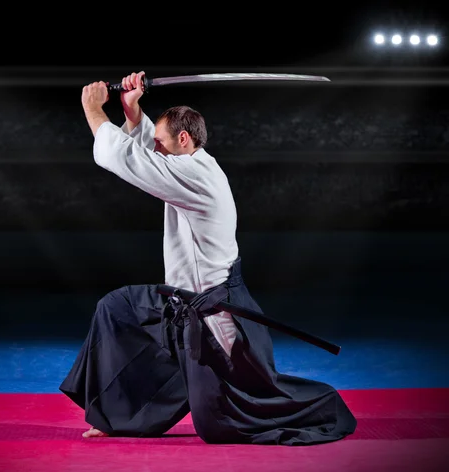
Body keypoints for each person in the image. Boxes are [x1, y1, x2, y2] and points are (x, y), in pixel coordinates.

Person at [59, 71, 357, 444]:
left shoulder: (196, 175)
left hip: (214, 313)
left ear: (183, 139)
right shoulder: (188, 164)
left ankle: (319, 407)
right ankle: (116, 416)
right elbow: (146, 156)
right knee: (117, 308)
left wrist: (94, 110)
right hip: (181, 298)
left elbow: (126, 160)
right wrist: (132, 114)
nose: (157, 150)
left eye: (161, 143)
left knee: (219, 424)